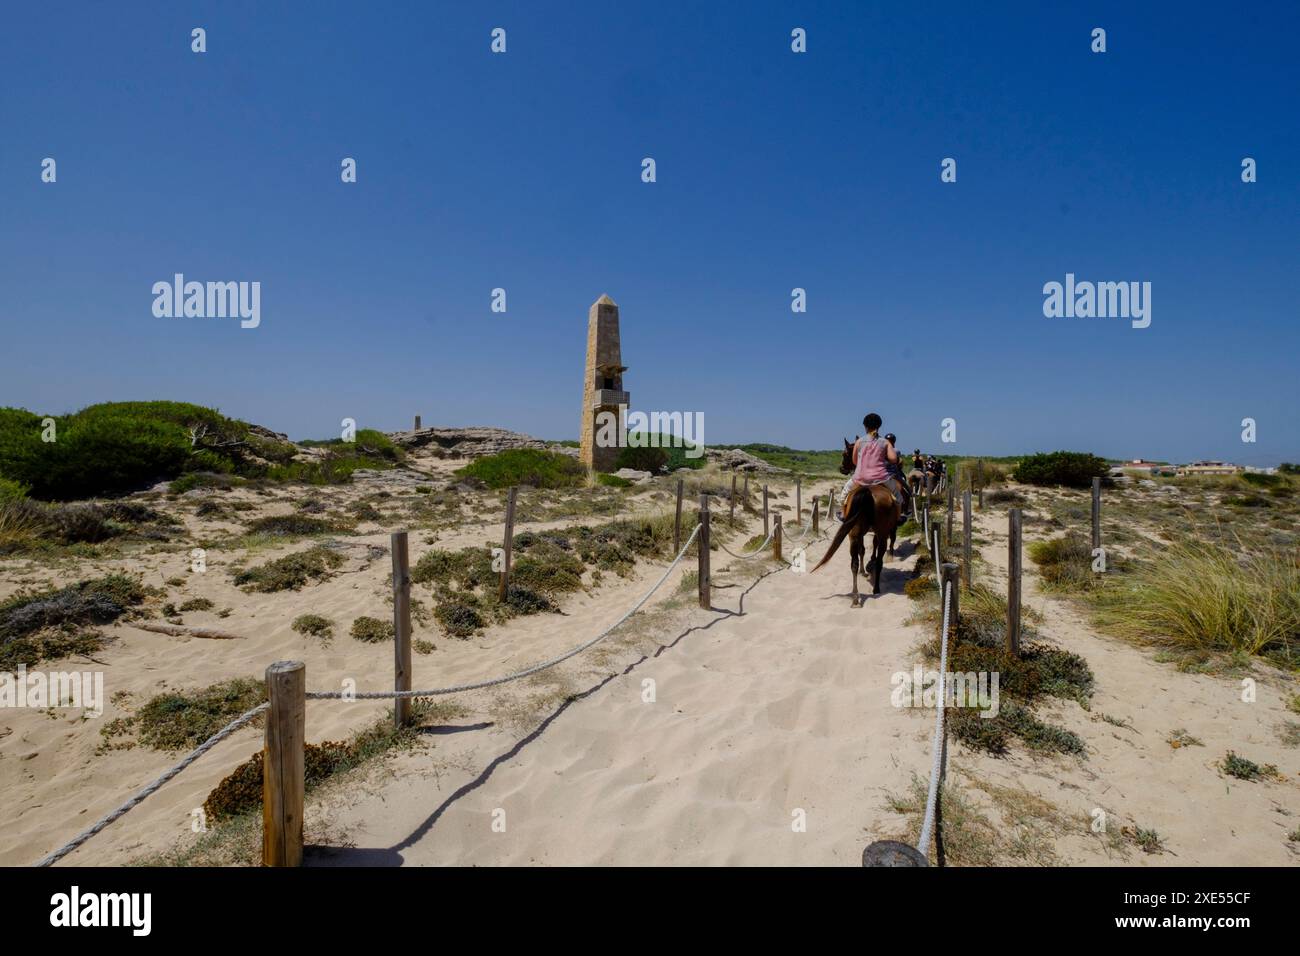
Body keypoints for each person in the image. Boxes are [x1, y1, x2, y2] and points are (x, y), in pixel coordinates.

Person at [841, 413, 905, 515]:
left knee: (844, 496)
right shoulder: (885, 442)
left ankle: (843, 515)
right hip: (881, 478)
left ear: (865, 426)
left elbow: (854, 462)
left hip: (860, 477)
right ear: (879, 426)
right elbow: (893, 459)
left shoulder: (859, 442)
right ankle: (898, 518)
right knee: (899, 497)